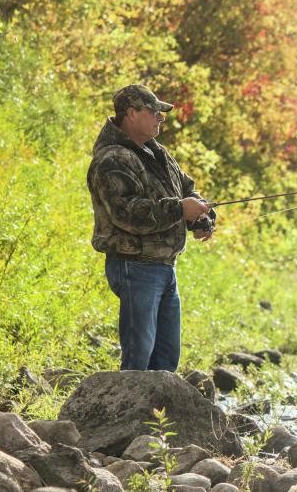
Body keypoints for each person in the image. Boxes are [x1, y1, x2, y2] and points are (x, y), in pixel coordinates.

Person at [86, 84, 216, 372]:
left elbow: (188, 190)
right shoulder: (112, 159)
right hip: (135, 266)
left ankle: (158, 417)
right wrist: (180, 209)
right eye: (154, 111)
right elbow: (125, 213)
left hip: (164, 267)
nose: (161, 118)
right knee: (138, 360)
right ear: (131, 113)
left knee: (166, 358)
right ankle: (127, 415)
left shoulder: (158, 153)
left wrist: (200, 219)